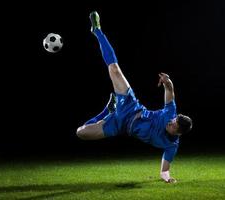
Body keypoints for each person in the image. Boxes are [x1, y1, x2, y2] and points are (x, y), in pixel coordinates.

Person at [76, 11, 193, 183]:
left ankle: (107, 111)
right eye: (174, 120)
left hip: (120, 125)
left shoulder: (171, 146)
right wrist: (167, 81)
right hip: (131, 106)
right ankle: (97, 31)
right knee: (114, 69)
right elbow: (170, 92)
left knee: (81, 133)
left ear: (179, 133)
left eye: (174, 125)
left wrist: (168, 179)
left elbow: (164, 171)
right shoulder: (170, 114)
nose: (171, 122)